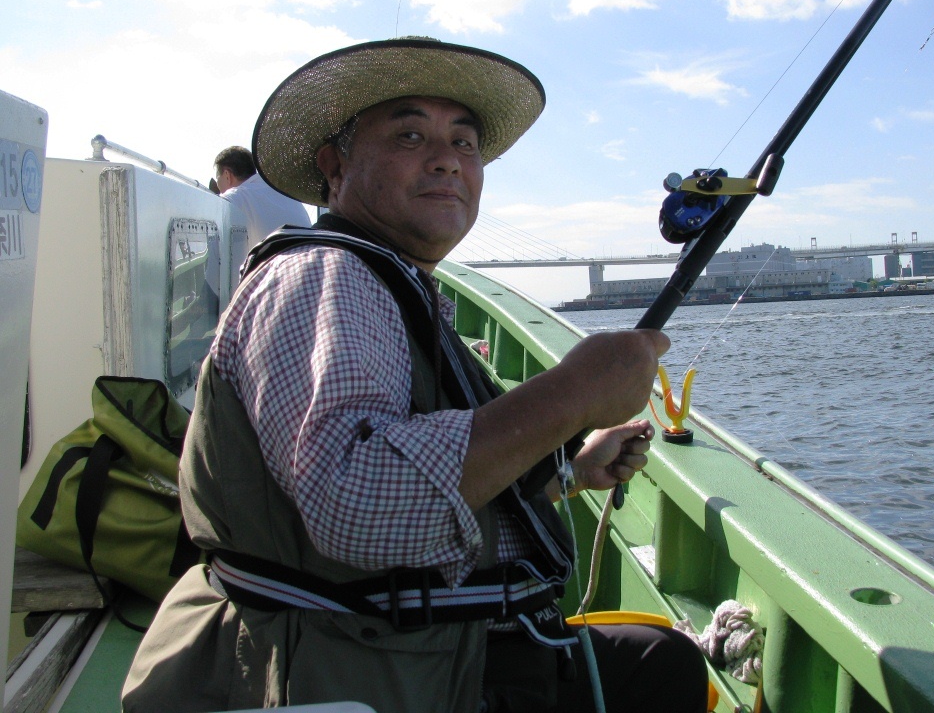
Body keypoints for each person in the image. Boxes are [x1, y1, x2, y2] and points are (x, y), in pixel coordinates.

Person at [123, 38, 707, 712]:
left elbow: (426, 468)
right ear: (334, 166)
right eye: (409, 136)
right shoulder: (325, 280)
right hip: (337, 669)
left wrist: (569, 470)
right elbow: (356, 504)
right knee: (660, 668)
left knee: (657, 659)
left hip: (405, 645)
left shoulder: (386, 282)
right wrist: (573, 394)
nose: (447, 159)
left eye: (464, 143)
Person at [213, 145, 311, 247]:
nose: (219, 188)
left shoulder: (236, 196)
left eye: (218, 180)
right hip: (313, 252)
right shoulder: (284, 191)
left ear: (227, 175)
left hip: (278, 256)